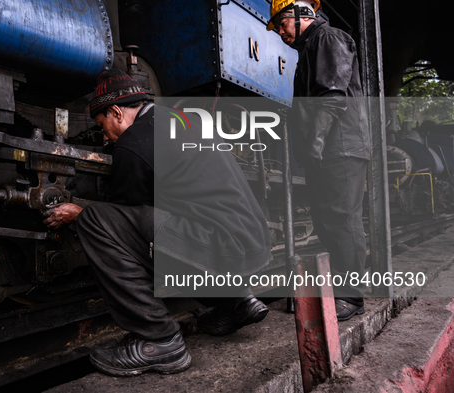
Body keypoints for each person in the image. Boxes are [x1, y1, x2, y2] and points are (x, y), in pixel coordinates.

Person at [43, 69, 272, 376]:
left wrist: (80, 213)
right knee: (172, 232)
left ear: (115, 112)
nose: (106, 137)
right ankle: (236, 302)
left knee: (97, 221)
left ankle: (160, 340)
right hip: (252, 247)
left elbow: (125, 224)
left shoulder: (133, 142)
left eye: (103, 127)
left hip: (221, 247)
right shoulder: (183, 120)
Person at [267, 1, 372, 321]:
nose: (281, 33)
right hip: (330, 146)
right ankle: (342, 288)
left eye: (282, 24)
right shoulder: (311, 47)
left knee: (341, 217)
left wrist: (314, 145)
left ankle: (351, 297)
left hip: (339, 146)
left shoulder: (328, 39)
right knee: (329, 218)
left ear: (302, 17)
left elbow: (332, 96)